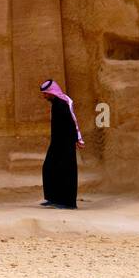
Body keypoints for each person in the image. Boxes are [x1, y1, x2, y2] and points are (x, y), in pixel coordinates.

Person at [39, 79, 84, 209]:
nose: (44, 96)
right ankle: (54, 198)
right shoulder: (56, 103)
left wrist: (76, 139)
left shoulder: (62, 104)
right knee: (50, 168)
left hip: (65, 144)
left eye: (46, 93)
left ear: (52, 92)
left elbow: (72, 122)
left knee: (66, 171)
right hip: (57, 143)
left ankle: (68, 203)